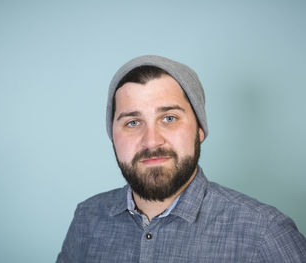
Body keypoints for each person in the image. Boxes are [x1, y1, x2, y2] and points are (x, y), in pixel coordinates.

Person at [56, 55, 306, 262]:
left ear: (199, 130)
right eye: (133, 122)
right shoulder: (86, 219)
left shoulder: (265, 233)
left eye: (169, 118)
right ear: (113, 136)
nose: (151, 141)